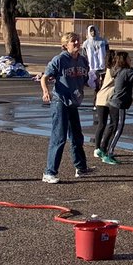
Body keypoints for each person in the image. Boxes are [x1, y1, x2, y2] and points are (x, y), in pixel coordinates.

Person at [39, 31, 93, 184]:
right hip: (60, 101)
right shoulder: (59, 60)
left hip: (73, 102)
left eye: (77, 40)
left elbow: (86, 79)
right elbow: (44, 77)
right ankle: (49, 172)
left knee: (77, 136)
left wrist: (95, 82)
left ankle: (81, 167)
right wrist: (45, 91)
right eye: (73, 41)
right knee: (59, 137)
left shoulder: (83, 60)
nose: (76, 43)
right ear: (65, 45)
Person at [92, 51, 119, 160]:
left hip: (104, 98)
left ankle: (100, 148)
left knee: (104, 124)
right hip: (105, 99)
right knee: (107, 124)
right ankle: (100, 148)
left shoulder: (110, 69)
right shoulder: (113, 69)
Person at [82, 24, 110, 90]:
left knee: (104, 85)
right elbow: (84, 56)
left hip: (103, 67)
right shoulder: (86, 43)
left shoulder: (103, 42)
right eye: (91, 31)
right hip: (92, 68)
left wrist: (108, 64)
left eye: (94, 31)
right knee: (95, 86)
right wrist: (86, 67)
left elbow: (108, 53)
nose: (93, 32)